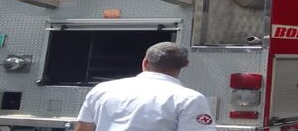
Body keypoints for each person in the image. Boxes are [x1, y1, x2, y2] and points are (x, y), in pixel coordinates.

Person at [74, 42, 215, 131]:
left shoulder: (102, 89)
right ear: (186, 65)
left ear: (145, 62)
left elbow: (83, 128)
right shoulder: (190, 99)